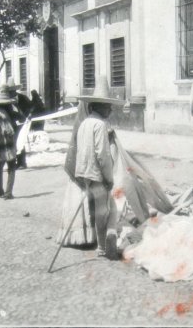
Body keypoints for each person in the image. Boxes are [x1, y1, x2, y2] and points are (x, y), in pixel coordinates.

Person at [74, 75, 124, 260]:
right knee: (102, 211)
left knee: (96, 208)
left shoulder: (84, 124)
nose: (110, 109)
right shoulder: (100, 125)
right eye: (108, 106)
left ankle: (100, 242)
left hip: (84, 174)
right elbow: (102, 155)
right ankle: (103, 246)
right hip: (96, 175)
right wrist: (109, 178)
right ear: (98, 106)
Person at [55, 99, 97, 247]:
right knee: (80, 203)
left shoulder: (88, 125)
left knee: (85, 203)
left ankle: (88, 236)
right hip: (80, 172)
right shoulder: (83, 126)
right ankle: (80, 236)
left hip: (83, 170)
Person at [0, 85, 19, 199]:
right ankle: (8, 192)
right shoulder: (11, 113)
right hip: (10, 145)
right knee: (11, 168)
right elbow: (16, 126)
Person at [6, 78, 31, 169]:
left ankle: (22, 162)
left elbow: (30, 107)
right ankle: (14, 162)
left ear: (15, 90)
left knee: (20, 142)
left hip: (22, 123)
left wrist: (27, 115)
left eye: (12, 90)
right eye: (9, 91)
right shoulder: (6, 100)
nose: (11, 93)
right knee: (12, 143)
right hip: (11, 124)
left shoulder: (22, 98)